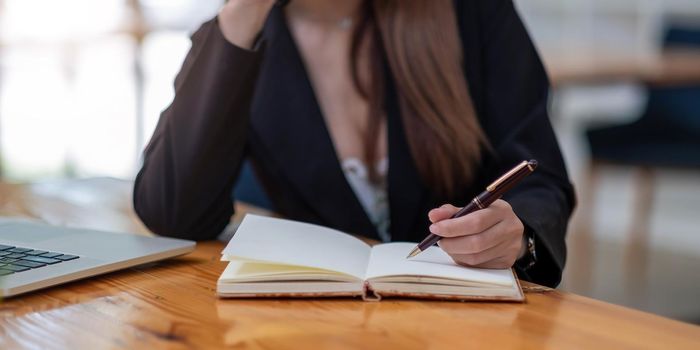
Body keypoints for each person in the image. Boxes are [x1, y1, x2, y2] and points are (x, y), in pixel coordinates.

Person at [133, 0, 576, 287]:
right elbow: (173, 213)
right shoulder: (241, 38)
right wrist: (240, 14)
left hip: (463, 317)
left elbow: (542, 178)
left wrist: (517, 235)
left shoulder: (472, 13)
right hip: (320, 321)